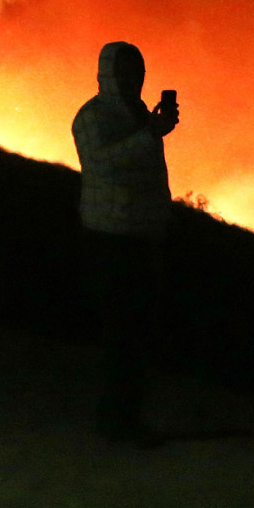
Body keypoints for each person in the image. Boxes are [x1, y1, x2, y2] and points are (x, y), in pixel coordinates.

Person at [72, 40, 180, 443]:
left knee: (137, 335)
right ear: (109, 75)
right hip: (110, 241)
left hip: (140, 239)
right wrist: (149, 133)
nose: (134, 79)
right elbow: (100, 164)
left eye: (139, 71)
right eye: (126, 71)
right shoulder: (91, 117)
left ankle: (126, 418)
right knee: (122, 335)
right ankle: (116, 421)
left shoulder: (136, 114)